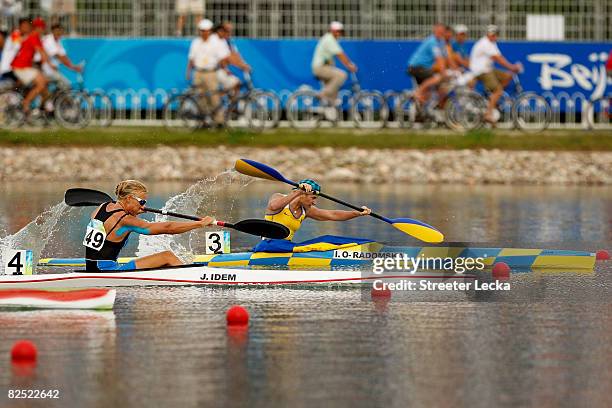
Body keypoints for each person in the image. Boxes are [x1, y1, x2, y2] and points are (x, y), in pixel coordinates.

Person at [84, 180, 213, 271]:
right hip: (106, 271)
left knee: (163, 262)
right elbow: (167, 228)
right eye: (141, 202)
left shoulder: (103, 207)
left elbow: (111, 231)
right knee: (167, 256)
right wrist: (199, 224)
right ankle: (191, 281)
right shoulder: (125, 220)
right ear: (128, 198)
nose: (143, 206)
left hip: (91, 267)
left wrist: (134, 212)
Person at [265, 179, 371, 241]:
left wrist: (357, 213)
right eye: (313, 198)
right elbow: (273, 206)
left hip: (286, 247)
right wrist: (298, 192)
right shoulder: (278, 197)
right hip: (268, 245)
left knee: (328, 240)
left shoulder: (306, 210)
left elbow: (333, 215)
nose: (314, 202)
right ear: (302, 194)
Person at [470, 24, 521, 123]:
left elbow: (499, 56)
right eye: (492, 35)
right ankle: (488, 114)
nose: (494, 37)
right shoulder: (485, 43)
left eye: (495, 35)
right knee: (498, 90)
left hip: (487, 69)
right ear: (488, 34)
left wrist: (511, 69)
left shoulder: (492, 43)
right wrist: (512, 67)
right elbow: (498, 59)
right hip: (481, 71)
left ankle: (493, 99)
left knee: (508, 76)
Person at [185, 18, 230, 125]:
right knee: (201, 98)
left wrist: (225, 69)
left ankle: (219, 121)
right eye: (202, 30)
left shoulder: (216, 42)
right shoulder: (196, 42)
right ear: (200, 31)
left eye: (206, 30)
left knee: (215, 97)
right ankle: (204, 121)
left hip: (211, 72)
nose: (204, 32)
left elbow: (222, 58)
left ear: (210, 31)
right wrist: (188, 71)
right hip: (199, 72)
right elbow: (191, 58)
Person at [11, 17, 55, 115]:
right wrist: (51, 64)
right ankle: (26, 103)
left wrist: (46, 61)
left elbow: (42, 53)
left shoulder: (33, 37)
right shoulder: (34, 37)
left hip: (23, 66)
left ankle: (42, 108)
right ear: (38, 28)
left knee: (44, 84)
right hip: (21, 67)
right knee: (42, 83)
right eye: (42, 28)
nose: (43, 30)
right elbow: (42, 52)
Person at [311, 21, 357, 106]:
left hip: (322, 67)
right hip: (320, 68)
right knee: (341, 75)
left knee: (334, 94)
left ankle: (330, 113)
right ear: (332, 30)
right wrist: (350, 65)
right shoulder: (329, 39)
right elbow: (340, 54)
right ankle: (322, 94)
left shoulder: (328, 38)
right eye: (338, 31)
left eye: (341, 31)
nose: (339, 33)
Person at [407, 22, 447, 104]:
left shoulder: (442, 42)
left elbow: (445, 59)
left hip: (424, 68)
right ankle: (417, 92)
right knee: (437, 78)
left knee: (437, 90)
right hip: (416, 67)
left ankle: (422, 111)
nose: (441, 33)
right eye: (439, 31)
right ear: (434, 31)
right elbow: (439, 59)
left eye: (442, 31)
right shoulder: (433, 42)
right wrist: (444, 73)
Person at [38, 23, 82, 88]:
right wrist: (73, 67)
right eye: (57, 31)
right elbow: (59, 56)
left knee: (57, 89)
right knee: (66, 85)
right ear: (52, 31)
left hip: (50, 69)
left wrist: (73, 66)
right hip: (44, 68)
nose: (59, 33)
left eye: (60, 31)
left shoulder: (58, 42)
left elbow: (63, 56)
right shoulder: (49, 40)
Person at [212, 21, 250, 96]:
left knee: (235, 85)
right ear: (220, 31)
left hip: (220, 69)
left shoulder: (227, 41)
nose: (228, 33)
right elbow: (227, 58)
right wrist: (242, 66)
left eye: (229, 31)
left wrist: (243, 64)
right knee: (236, 83)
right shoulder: (216, 40)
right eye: (226, 31)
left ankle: (230, 104)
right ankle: (218, 99)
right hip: (214, 70)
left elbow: (234, 55)